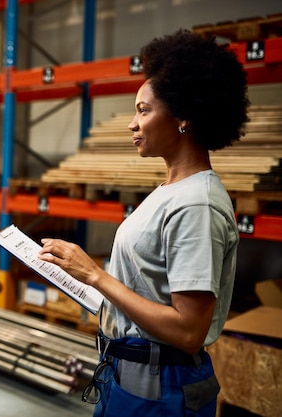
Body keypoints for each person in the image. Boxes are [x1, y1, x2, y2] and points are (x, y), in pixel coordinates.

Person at [38, 29, 249, 417]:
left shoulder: (195, 205)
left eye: (144, 110)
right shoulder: (171, 190)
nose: (132, 124)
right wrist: (81, 276)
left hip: (160, 388)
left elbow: (188, 332)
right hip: (130, 374)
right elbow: (149, 288)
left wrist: (95, 276)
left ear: (183, 115)